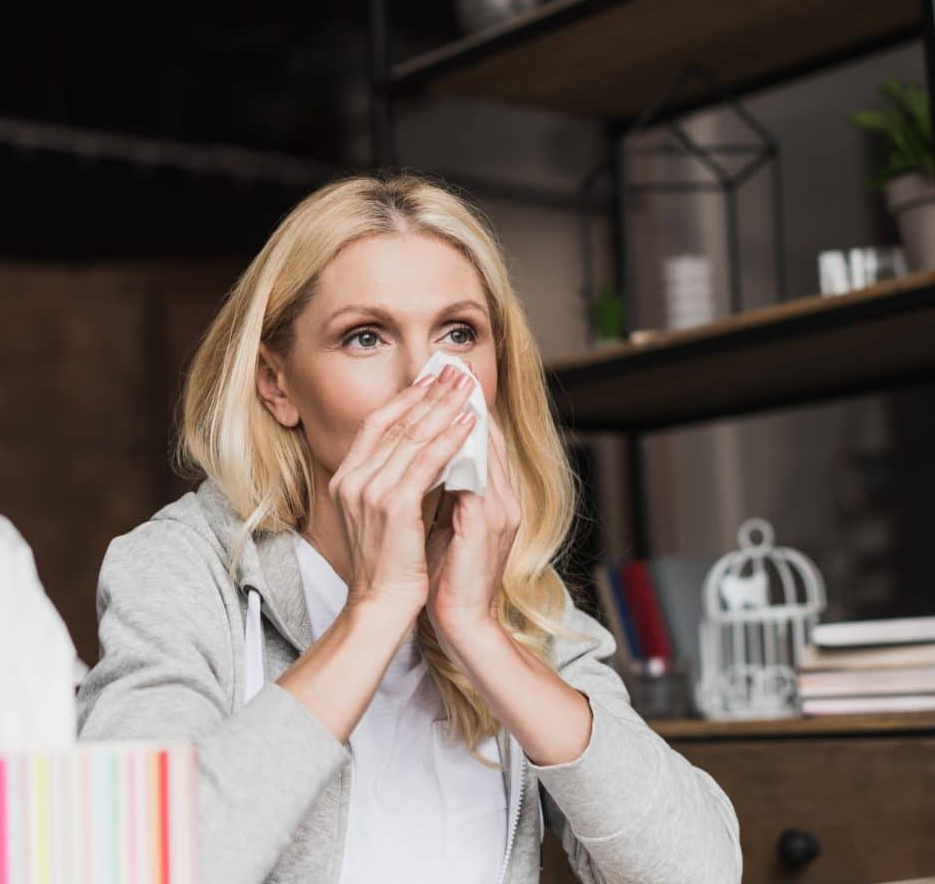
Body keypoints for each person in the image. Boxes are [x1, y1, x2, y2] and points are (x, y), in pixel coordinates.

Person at [76, 170, 742, 884]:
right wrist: (375, 610)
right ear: (277, 384)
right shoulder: (179, 567)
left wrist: (480, 631)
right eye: (365, 337)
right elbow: (132, 863)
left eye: (459, 333)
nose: (426, 378)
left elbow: (698, 872)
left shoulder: (513, 584)